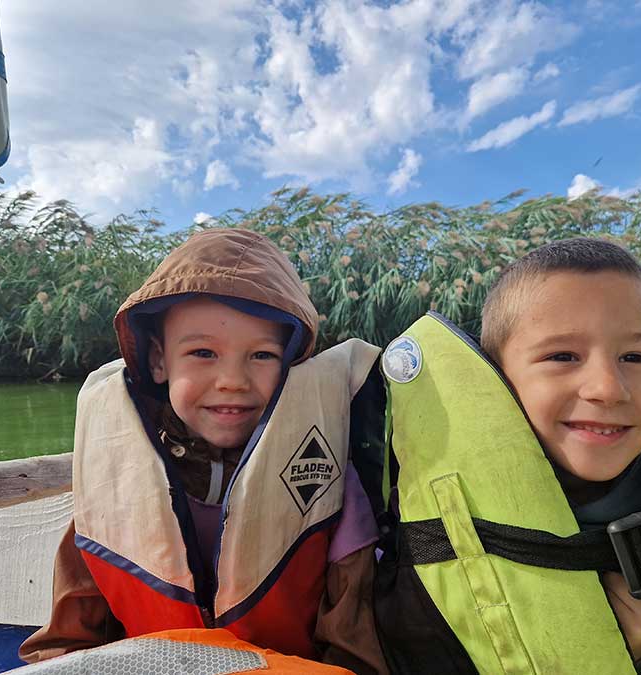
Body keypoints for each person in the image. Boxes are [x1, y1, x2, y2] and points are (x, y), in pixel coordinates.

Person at [373, 237, 641, 674]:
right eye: (563, 356)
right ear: (494, 380)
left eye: (635, 357)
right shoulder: (417, 545)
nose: (607, 388)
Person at [20, 228, 388, 675]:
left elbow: (355, 648)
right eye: (202, 352)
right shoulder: (111, 478)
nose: (232, 380)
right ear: (159, 361)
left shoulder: (332, 486)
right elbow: (67, 643)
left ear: (294, 365)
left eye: (262, 355)